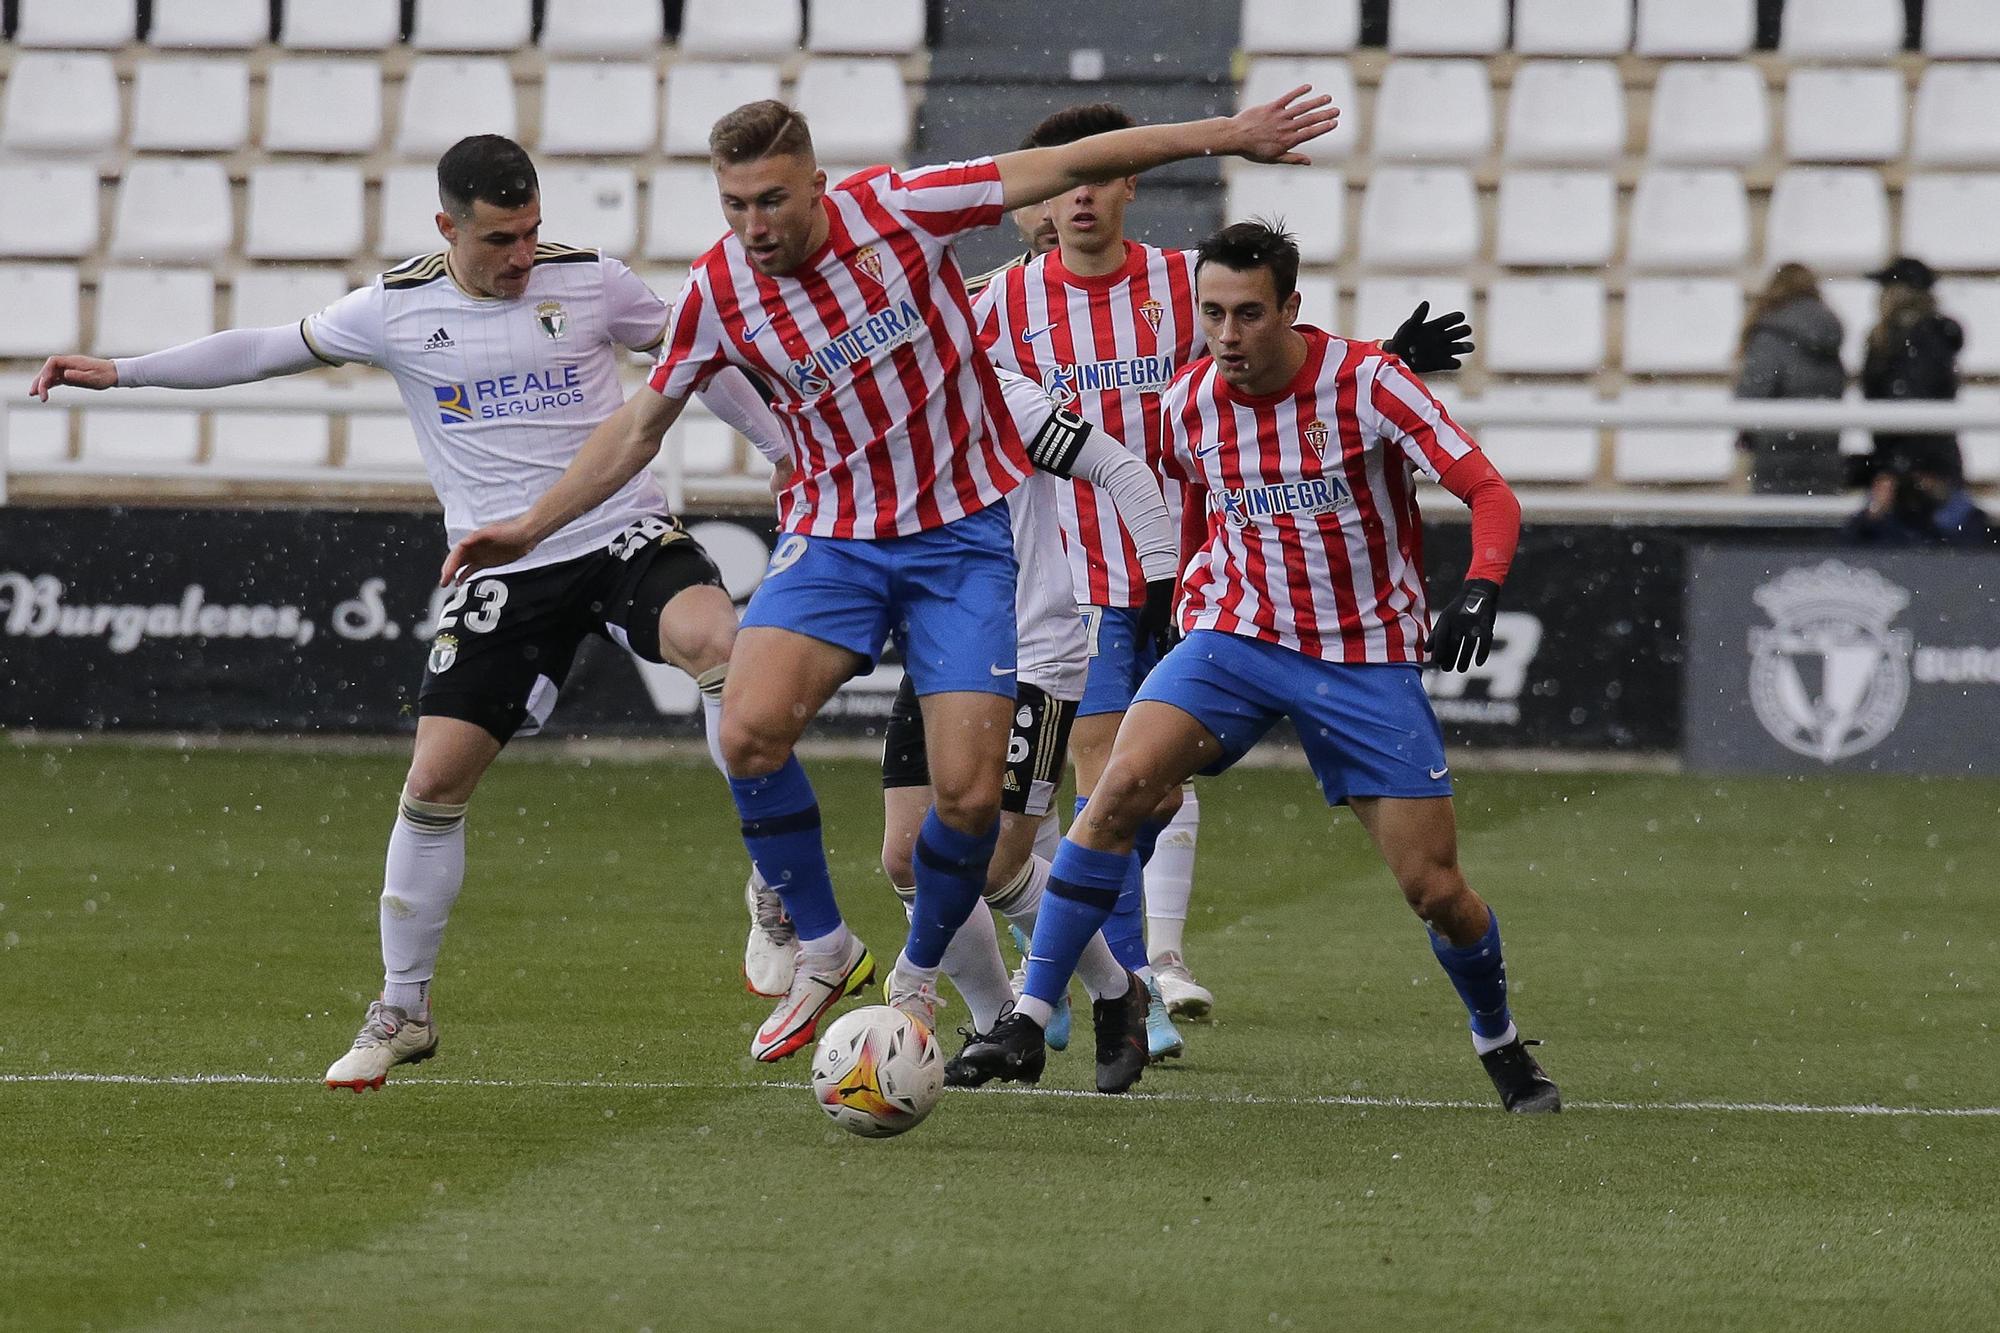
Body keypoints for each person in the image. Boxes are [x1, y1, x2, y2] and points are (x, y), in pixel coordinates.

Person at [439, 91, 1342, 1075]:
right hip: (833, 540)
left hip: (957, 542)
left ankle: (944, 981)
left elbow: (1072, 162)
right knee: (746, 729)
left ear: (817, 186)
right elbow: (638, 427)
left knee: (966, 811)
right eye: (734, 204)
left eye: (772, 201)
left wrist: (1229, 137)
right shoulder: (718, 290)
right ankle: (829, 949)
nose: (754, 226)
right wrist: (530, 524)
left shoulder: (902, 211)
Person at [28, 135, 789, 1091]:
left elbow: (700, 359)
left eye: (533, 232)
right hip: (501, 571)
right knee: (432, 784)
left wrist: (780, 443)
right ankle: (405, 1007)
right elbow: (265, 347)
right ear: (448, 228)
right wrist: (125, 370)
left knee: (716, 643)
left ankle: (776, 886)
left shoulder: (593, 283)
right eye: (502, 239)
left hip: (618, 532)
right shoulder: (396, 308)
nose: (522, 256)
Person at [959, 221, 1560, 1112]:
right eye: (1212, 314)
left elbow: (1489, 490)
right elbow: (1186, 492)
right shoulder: (1188, 401)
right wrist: (1184, 595)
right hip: (1233, 639)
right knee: (1118, 789)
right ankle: (1031, 1012)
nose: (1228, 335)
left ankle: (1498, 1038)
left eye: (1249, 314)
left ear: (1290, 309)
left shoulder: (1369, 384)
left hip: (1360, 659)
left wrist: (1480, 585)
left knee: (1436, 891)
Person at [974, 103, 1474, 1051]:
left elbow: (1279, 360)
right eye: (1060, 176)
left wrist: (1384, 362)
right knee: (1097, 791)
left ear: (1129, 182)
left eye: (1097, 174)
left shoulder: (1179, 285)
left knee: (1131, 789)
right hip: (1068, 574)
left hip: (1174, 561)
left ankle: (1131, 976)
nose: (1079, 195)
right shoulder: (1000, 301)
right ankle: (1132, 981)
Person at [1733, 262, 1846, 495]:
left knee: (1776, 527)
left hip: (1777, 461)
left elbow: (1751, 397)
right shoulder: (1828, 338)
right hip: (1825, 459)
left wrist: (1747, 436)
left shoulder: (1770, 337)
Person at [1860, 256, 1965, 481]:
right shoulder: (1917, 337)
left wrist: (1895, 470)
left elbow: (1911, 406)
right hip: (1921, 467)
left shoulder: (1916, 339)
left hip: (1920, 474)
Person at [1845, 453, 1994, 546]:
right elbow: (1847, 548)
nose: (1922, 484)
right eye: (1917, 478)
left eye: (1928, 478)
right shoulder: (1884, 518)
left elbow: (1966, 556)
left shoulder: (1965, 517)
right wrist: (1874, 515)